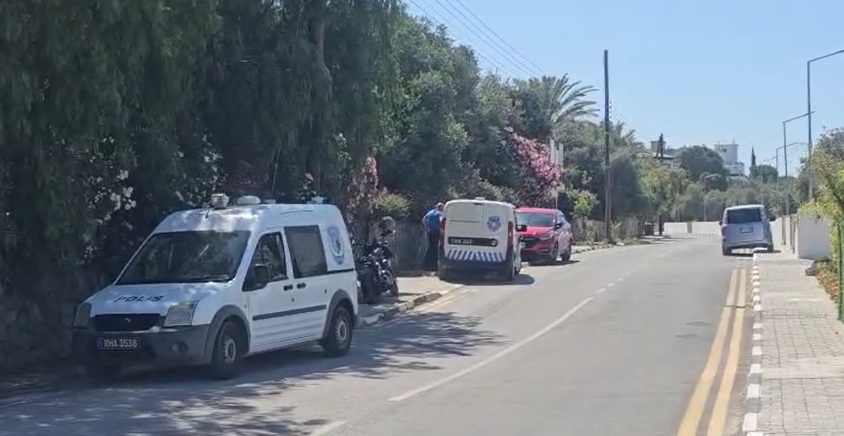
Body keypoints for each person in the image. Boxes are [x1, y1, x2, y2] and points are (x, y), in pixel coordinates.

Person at [421, 202, 444, 270]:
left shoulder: (430, 212)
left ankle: (426, 264)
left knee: (430, 247)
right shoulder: (440, 214)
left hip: (430, 232)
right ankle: (433, 265)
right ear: (441, 208)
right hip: (436, 232)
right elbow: (441, 222)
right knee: (435, 248)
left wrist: (427, 228)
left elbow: (423, 220)